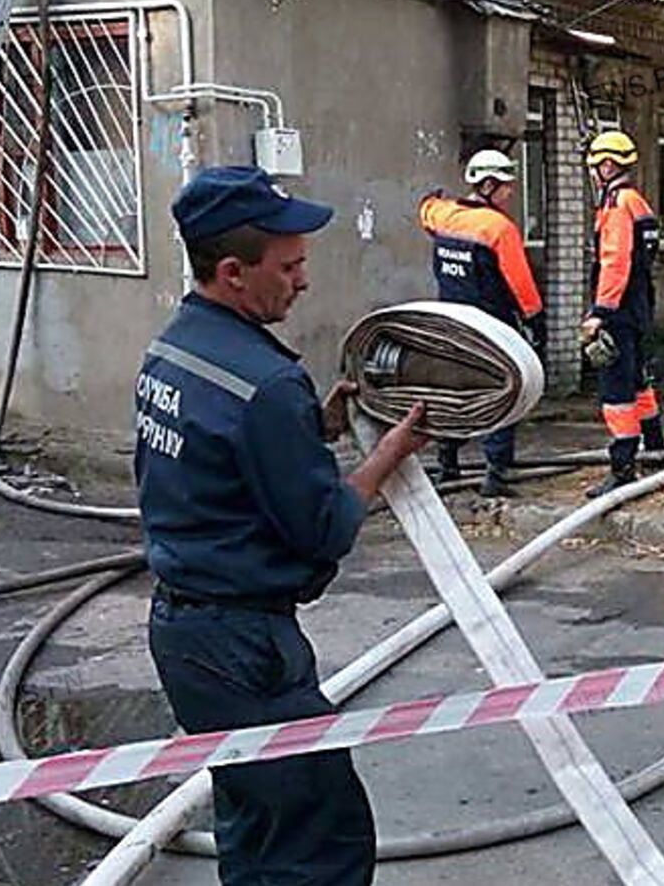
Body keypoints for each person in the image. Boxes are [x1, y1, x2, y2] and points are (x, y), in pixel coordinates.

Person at [134, 165, 429, 884]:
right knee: (318, 840)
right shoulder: (266, 383)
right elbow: (324, 529)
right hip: (244, 646)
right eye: (290, 266)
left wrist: (310, 430)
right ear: (234, 272)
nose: (302, 281)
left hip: (187, 637)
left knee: (256, 822)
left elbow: (218, 458)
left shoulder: (176, 346)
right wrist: (388, 455)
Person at [419, 149, 547, 498]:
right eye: (506, 186)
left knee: (456, 394)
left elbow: (425, 209)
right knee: (503, 394)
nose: (511, 192)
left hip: (452, 323)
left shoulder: (443, 216)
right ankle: (495, 474)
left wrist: (432, 197)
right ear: (488, 185)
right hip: (493, 327)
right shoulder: (498, 228)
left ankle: (447, 466)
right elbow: (521, 284)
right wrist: (536, 322)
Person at [580, 130, 664, 498]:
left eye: (596, 166)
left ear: (608, 164)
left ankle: (623, 468)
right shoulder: (639, 203)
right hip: (640, 306)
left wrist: (600, 311)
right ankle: (656, 451)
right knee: (639, 382)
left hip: (619, 311)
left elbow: (615, 262)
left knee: (616, 391)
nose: (594, 173)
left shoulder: (617, 205)